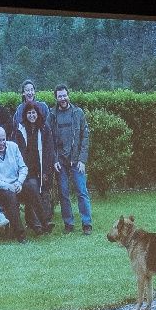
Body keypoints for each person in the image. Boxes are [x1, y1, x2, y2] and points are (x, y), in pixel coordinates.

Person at [49, 85, 93, 233]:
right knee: (63, 193)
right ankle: (69, 223)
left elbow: (85, 137)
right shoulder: (52, 115)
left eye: (64, 95)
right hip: (60, 161)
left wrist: (82, 159)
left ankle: (86, 223)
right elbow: (50, 140)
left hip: (76, 160)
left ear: (69, 95)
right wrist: (54, 159)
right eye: (59, 96)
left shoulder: (78, 113)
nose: (62, 99)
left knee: (82, 191)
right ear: (56, 98)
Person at [14, 102, 54, 234]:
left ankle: (43, 221)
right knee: (33, 190)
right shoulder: (20, 130)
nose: (32, 115)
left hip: (41, 168)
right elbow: (17, 151)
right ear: (25, 115)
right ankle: (37, 224)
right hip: (26, 170)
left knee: (43, 193)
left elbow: (49, 150)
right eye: (29, 113)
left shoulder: (44, 128)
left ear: (38, 114)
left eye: (34, 113)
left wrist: (47, 171)